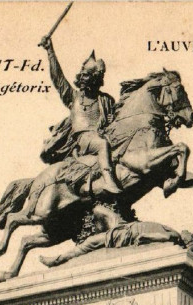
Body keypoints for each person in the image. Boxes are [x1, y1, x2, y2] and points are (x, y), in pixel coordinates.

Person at [39, 36, 121, 195]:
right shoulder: (73, 97)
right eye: (82, 75)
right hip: (83, 139)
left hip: (103, 134)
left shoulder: (106, 100)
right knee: (102, 144)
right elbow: (58, 78)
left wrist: (112, 121)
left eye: (86, 75)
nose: (82, 78)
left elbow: (115, 121)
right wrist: (50, 51)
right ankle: (108, 181)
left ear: (95, 78)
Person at [40, 220, 193, 267]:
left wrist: (145, 236)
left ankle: (59, 259)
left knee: (90, 242)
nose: (190, 232)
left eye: (192, 236)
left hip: (126, 234)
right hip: (128, 228)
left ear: (187, 242)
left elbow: (159, 237)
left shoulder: (174, 236)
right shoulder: (173, 232)